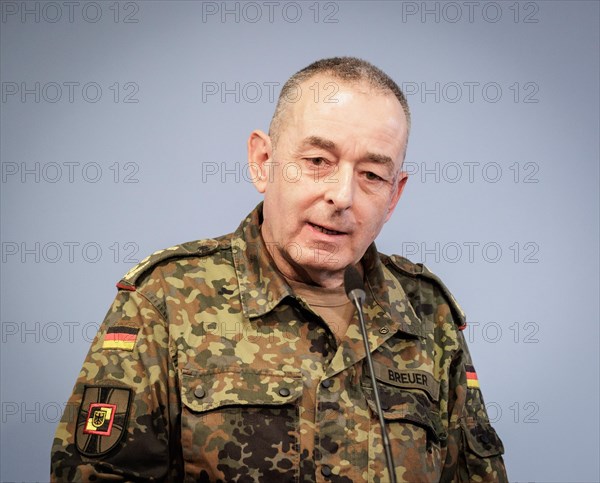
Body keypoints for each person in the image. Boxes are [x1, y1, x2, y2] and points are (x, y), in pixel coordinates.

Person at [51, 57, 508, 482]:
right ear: (263, 162)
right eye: (317, 162)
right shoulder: (166, 298)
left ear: (394, 196)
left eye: (371, 174)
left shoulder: (429, 313)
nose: (342, 196)